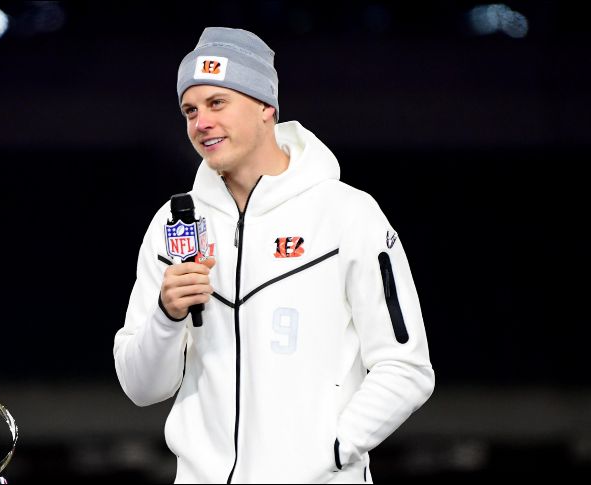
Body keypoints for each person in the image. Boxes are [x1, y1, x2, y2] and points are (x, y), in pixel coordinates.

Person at [114, 26, 434, 484]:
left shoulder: (346, 213)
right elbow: (141, 388)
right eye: (190, 110)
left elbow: (407, 367)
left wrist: (332, 449)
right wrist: (167, 316)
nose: (200, 122)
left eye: (217, 103)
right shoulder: (173, 224)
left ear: (266, 108)